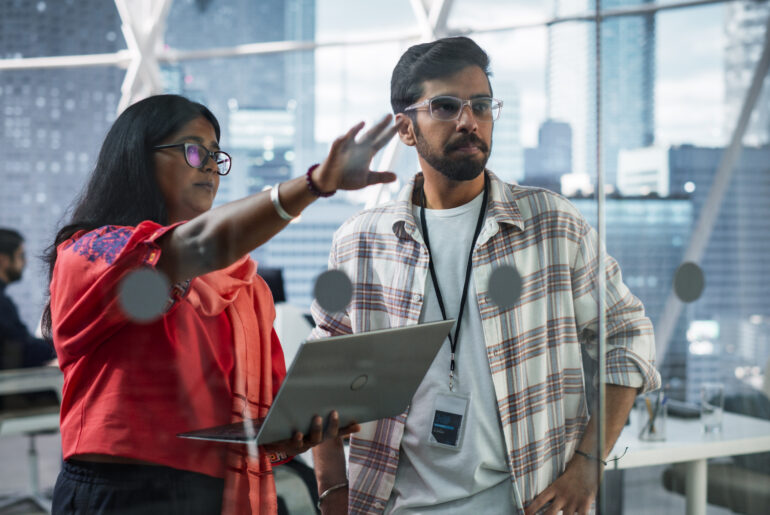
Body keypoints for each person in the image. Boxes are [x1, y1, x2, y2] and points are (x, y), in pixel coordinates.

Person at [310, 37, 661, 515]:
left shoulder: (552, 225)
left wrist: (587, 466)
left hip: (527, 503)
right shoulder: (360, 242)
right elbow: (321, 379)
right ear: (406, 130)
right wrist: (332, 494)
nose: (468, 121)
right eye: (446, 106)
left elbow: (628, 337)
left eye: (481, 105)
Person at [42, 94, 399, 515]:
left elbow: (261, 422)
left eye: (215, 154)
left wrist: (292, 431)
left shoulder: (245, 284)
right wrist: (314, 184)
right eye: (193, 150)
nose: (210, 165)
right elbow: (196, 245)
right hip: (122, 493)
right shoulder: (93, 254)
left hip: (216, 494)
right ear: (138, 159)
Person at [0, 228, 56, 371]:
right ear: (4, 259)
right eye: (21, 256)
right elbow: (25, 348)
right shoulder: (3, 305)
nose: (24, 262)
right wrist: (65, 347)